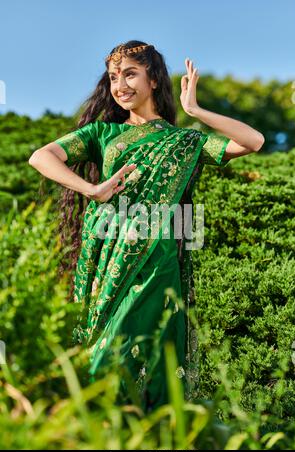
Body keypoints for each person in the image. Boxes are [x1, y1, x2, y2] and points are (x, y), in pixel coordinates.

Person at [28, 40, 265, 412]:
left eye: (130, 74)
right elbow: (42, 156)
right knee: (100, 354)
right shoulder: (101, 134)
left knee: (152, 357)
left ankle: (153, 436)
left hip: (159, 263)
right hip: (106, 260)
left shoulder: (184, 140)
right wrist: (92, 189)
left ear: (154, 79)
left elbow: (253, 141)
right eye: (113, 77)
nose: (119, 85)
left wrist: (194, 109)